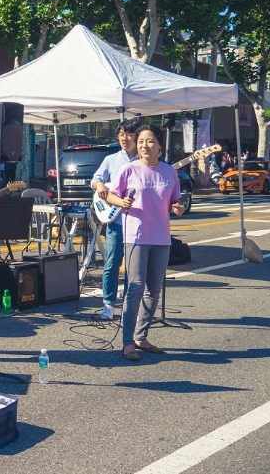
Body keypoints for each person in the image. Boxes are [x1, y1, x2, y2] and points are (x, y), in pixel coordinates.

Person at [105, 124, 185, 362]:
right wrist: (121, 202)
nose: (144, 145)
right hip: (136, 236)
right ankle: (127, 342)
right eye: (140, 141)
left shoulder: (169, 172)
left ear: (160, 146)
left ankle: (141, 336)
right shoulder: (129, 169)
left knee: (153, 290)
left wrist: (178, 208)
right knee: (135, 287)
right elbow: (110, 194)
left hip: (161, 237)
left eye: (150, 141)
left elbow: (176, 200)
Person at [90, 119, 140, 321]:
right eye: (121, 134)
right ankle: (108, 304)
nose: (123, 138)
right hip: (116, 221)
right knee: (111, 263)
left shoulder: (145, 161)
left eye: (128, 134)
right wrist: (100, 185)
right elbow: (95, 180)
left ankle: (130, 305)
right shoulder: (111, 159)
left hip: (137, 222)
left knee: (133, 267)